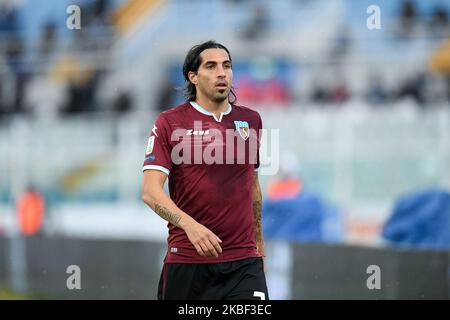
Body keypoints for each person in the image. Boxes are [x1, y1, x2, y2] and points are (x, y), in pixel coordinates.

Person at [141, 40, 268, 300]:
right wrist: (190, 226)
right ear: (193, 77)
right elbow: (151, 192)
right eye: (211, 66)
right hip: (188, 262)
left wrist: (259, 245)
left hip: (243, 263)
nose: (222, 73)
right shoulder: (170, 122)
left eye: (227, 65)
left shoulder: (251, 121)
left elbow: (252, 187)